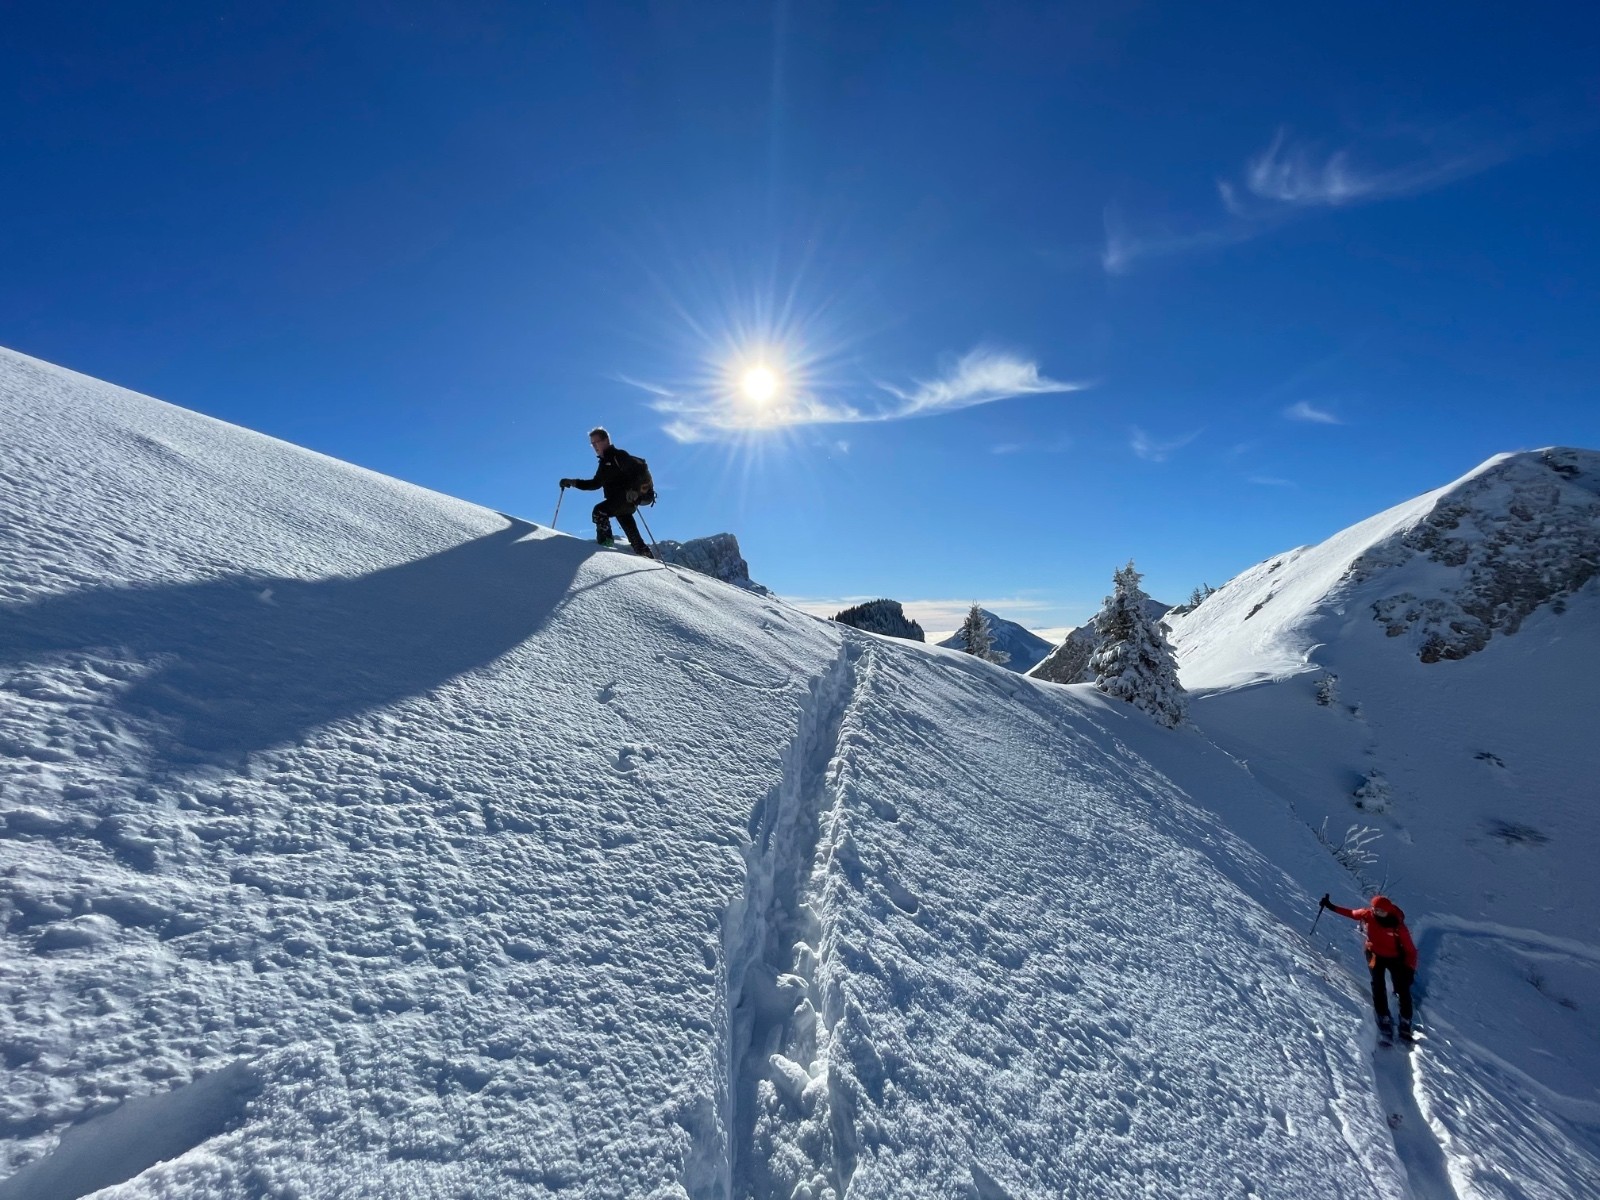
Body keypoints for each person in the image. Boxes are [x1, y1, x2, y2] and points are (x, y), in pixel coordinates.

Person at [1320, 892, 1419, 1040]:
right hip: (1374, 954)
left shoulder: (1398, 927)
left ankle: (1405, 1019)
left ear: (1388, 911)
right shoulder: (1368, 914)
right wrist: (1331, 907)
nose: (1378, 912)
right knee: (1377, 983)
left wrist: (1410, 969)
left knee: (1402, 987)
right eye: (1375, 909)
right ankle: (1383, 1015)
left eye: (1381, 910)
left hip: (1395, 958)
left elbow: (1411, 951)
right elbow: (1352, 913)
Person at [559, 427, 654, 558]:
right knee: (633, 536)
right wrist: (572, 482)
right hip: (621, 503)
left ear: (606, 440)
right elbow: (595, 484)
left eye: (596, 442)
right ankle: (646, 555)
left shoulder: (618, 456)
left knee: (599, 512)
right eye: (592, 443)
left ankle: (605, 548)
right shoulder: (604, 463)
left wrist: (636, 492)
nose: (594, 446)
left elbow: (639, 470)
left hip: (626, 499)